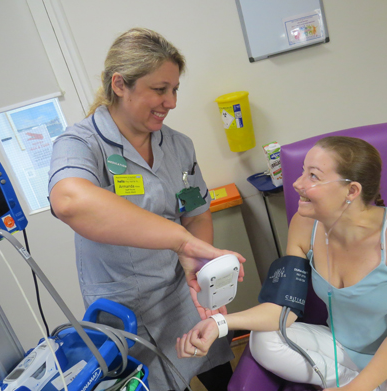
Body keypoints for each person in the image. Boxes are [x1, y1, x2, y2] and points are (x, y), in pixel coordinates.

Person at [48, 27, 245, 391]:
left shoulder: (178, 145)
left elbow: (197, 210)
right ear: (120, 84)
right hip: (126, 304)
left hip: (182, 290)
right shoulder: (80, 143)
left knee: (216, 370)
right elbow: (70, 201)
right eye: (159, 90)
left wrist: (201, 268)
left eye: (174, 90)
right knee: (158, 383)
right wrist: (181, 242)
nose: (170, 102)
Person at [176, 136, 387, 390]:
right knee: (264, 339)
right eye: (303, 171)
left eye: (313, 176)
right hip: (342, 349)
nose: (297, 183)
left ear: (351, 190)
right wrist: (220, 323)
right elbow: (284, 310)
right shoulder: (304, 225)